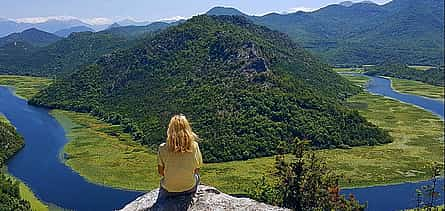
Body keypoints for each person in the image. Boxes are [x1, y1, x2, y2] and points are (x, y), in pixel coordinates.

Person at [153, 114, 203, 210]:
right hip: (189, 187)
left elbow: (160, 172)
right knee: (197, 177)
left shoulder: (162, 147)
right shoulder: (194, 146)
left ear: (170, 130)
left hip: (169, 189)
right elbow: (196, 169)